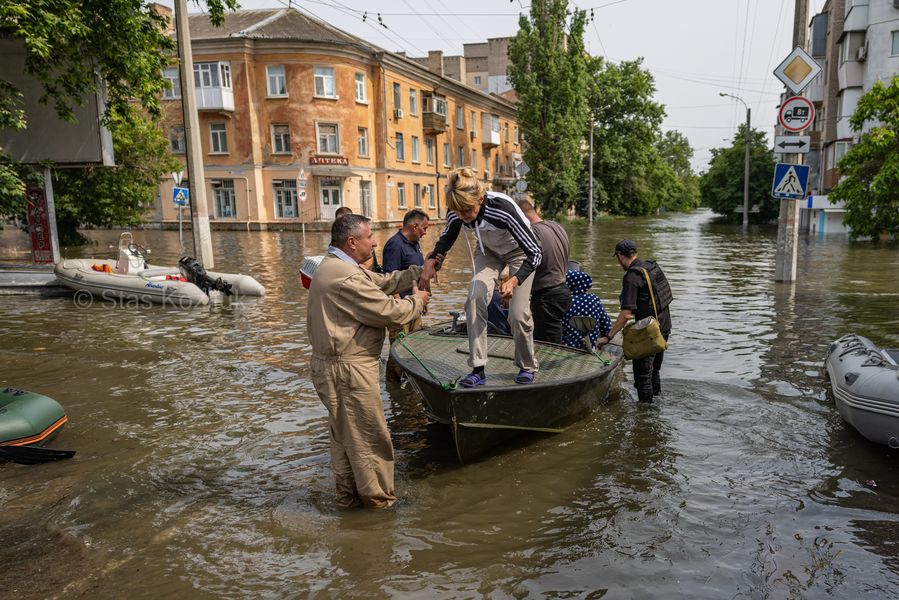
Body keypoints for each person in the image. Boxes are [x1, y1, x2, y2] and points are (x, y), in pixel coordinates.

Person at [307, 214, 430, 508]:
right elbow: (390, 312)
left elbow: (383, 282)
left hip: (333, 366)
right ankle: (379, 509)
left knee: (345, 440)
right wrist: (418, 301)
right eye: (369, 237)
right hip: (347, 370)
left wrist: (418, 271)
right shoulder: (347, 276)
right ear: (352, 242)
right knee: (370, 441)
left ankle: (348, 503)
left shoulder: (335, 266)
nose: (375, 242)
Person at [418, 167, 542, 387]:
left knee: (518, 313)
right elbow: (446, 239)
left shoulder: (502, 210)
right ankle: (478, 369)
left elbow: (536, 252)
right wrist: (432, 262)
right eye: (458, 212)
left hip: (520, 253)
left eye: (468, 211)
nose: (463, 218)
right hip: (488, 252)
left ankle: (527, 365)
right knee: (474, 299)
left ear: (481, 199)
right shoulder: (457, 212)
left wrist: (514, 280)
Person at [597, 239, 673, 404]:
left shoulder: (632, 276)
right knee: (654, 370)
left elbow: (626, 314)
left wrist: (608, 337)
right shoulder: (651, 267)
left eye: (617, 258)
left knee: (642, 376)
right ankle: (657, 401)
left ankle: (645, 416)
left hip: (648, 331)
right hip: (664, 326)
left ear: (620, 256)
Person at [382, 209, 429, 381]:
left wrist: (424, 302)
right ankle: (393, 388)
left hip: (415, 305)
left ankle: (410, 383)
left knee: (415, 346)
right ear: (414, 226)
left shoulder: (415, 243)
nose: (425, 232)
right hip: (401, 308)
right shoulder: (395, 245)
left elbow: (420, 275)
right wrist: (400, 307)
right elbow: (389, 281)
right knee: (399, 349)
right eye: (424, 228)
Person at [518, 200, 570, 344]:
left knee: (548, 344)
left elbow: (528, 262)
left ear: (521, 216)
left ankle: (550, 367)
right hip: (562, 290)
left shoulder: (532, 233)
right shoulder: (556, 226)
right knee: (554, 335)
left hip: (546, 296)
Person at [561, 270, 612, 350]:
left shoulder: (564, 301)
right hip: (589, 347)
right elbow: (606, 326)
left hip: (567, 347)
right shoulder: (594, 299)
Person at [332, 206, 379, 272]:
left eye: (347, 220)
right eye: (340, 220)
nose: (344, 224)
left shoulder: (365, 244)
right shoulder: (334, 244)